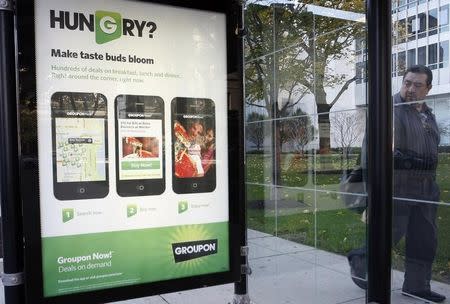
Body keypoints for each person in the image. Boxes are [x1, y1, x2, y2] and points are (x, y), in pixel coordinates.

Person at [348, 65, 445, 303]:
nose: (410, 89)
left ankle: (416, 287)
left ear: (428, 89)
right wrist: (374, 193)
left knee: (425, 239)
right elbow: (370, 153)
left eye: (417, 85)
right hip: (397, 187)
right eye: (407, 83)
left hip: (426, 189)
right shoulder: (388, 110)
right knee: (389, 234)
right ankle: (360, 259)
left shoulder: (428, 115)